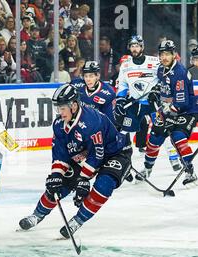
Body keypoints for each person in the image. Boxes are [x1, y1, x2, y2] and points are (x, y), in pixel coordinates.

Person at [18, 84, 132, 238]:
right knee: (58, 185)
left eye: (62, 107)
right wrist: (56, 174)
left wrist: (83, 180)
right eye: (57, 108)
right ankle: (37, 215)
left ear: (74, 105)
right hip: (86, 155)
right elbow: (60, 152)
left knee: (104, 185)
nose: (59, 112)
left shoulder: (91, 122)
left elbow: (97, 155)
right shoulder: (59, 125)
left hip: (116, 154)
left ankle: (78, 220)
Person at [136, 40, 198, 186]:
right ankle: (147, 168)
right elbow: (163, 85)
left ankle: (190, 171)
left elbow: (181, 102)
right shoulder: (161, 69)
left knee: (178, 137)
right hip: (168, 109)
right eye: (162, 54)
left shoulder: (180, 73)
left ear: (174, 55)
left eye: (167, 54)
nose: (164, 57)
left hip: (187, 111)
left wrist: (167, 113)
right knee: (155, 138)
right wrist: (156, 92)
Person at [115, 35, 180, 172]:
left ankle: (174, 158)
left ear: (142, 47)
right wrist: (120, 100)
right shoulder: (126, 65)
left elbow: (165, 78)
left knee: (163, 129)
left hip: (153, 105)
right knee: (125, 131)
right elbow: (123, 84)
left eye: (137, 45)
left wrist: (158, 92)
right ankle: (120, 160)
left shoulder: (155, 61)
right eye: (132, 46)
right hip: (134, 104)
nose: (134, 48)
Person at [70, 61, 116, 125]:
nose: (88, 79)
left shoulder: (108, 93)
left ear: (98, 76)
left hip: (97, 127)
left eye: (91, 76)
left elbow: (109, 120)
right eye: (86, 76)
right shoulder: (76, 85)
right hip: (79, 125)